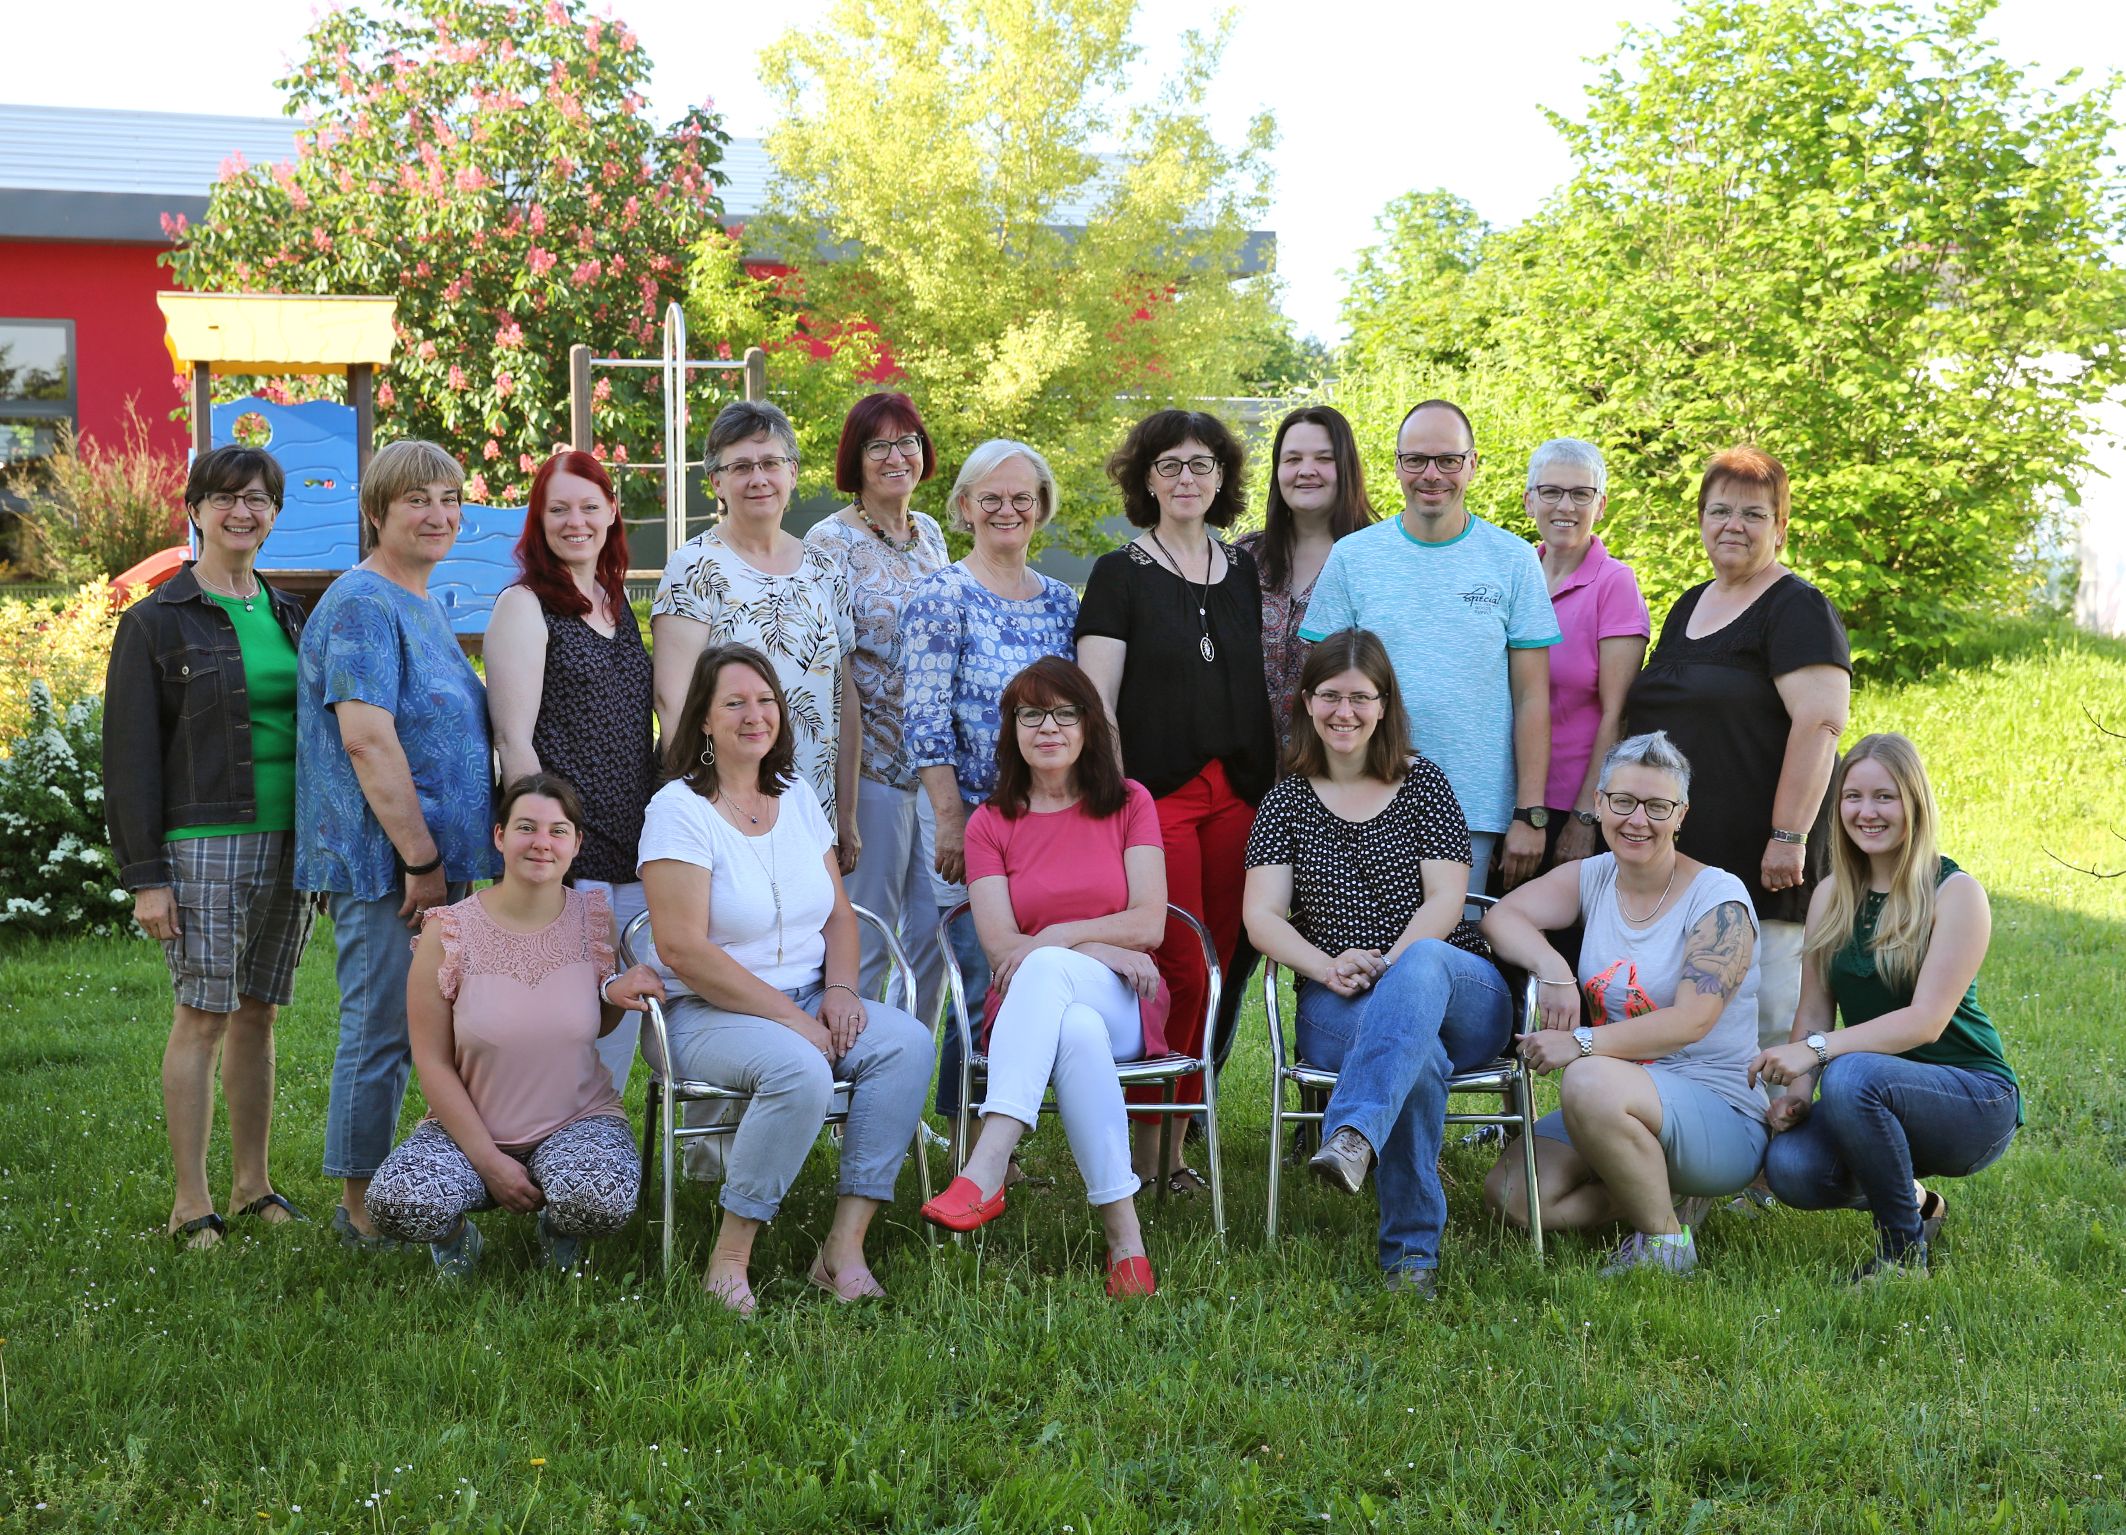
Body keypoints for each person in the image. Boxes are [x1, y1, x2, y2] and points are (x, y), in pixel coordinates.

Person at [638, 644, 935, 1314]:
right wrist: (792, 1019)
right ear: (704, 722)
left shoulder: (796, 795)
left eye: (766, 699)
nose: (755, 714)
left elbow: (837, 913)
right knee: (800, 1069)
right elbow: (682, 948)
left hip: (806, 997)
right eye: (735, 702)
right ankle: (729, 1260)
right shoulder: (678, 810)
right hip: (702, 1013)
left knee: (907, 1043)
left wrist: (839, 990)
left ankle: (841, 1249)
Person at [1242, 630, 1504, 1296]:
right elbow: (1262, 916)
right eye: (1329, 695)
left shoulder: (1425, 784)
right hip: (1341, 998)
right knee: (1413, 1058)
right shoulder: (1286, 801)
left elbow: (1448, 898)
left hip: (1456, 988)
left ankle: (1353, 1127)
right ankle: (1411, 1258)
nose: (1344, 711)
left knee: (1419, 967)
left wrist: (1390, 959)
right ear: (1306, 702)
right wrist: (1328, 966)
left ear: (1385, 705)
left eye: (1361, 697)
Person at [104, 444, 314, 1249]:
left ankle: (253, 1184)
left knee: (258, 1014)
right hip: (203, 843)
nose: (243, 511)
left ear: (273, 514)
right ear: (195, 509)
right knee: (203, 1014)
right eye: (225, 497)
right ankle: (191, 1202)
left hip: (288, 839)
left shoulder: (288, 612)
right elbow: (127, 759)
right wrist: (146, 877)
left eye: (259, 498)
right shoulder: (155, 620)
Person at [296, 439, 499, 1249]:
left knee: (418, 1032)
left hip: (433, 870)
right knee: (380, 1028)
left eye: (449, 498)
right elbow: (368, 741)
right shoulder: (362, 603)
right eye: (417, 498)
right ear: (376, 510)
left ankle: (404, 1185)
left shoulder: (423, 601)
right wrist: (421, 860)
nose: (438, 514)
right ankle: (362, 1213)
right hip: (389, 864)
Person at [917, 658, 1170, 1299]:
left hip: (1126, 999)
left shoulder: (1129, 804)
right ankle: (1127, 1250)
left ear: (1089, 725)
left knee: (1059, 974)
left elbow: (1150, 924)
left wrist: (1064, 939)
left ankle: (986, 1164)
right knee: (1076, 1031)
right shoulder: (989, 824)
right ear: (1012, 731)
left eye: (1065, 712)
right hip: (1031, 1007)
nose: (1048, 727)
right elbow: (1002, 949)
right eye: (1031, 715)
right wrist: (1098, 943)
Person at [1478, 731, 1767, 1276]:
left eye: (1657, 806)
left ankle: (1664, 1245)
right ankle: (1660, 1195)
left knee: (1586, 1078)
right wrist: (1555, 969)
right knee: (1512, 1196)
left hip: (1719, 1111)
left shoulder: (1718, 898)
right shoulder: (1596, 877)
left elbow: (1692, 1020)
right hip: (1620, 1100)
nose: (1638, 819)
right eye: (1624, 802)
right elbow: (1501, 917)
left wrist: (1581, 1042)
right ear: (1599, 804)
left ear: (1681, 815)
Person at [1077, 408, 1277, 1191]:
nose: (1186, 478)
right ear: (1145, 479)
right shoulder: (1118, 572)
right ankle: (1145, 1145)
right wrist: (1120, 808)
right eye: (1170, 466)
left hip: (1241, 800)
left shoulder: (1244, 571)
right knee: (1177, 967)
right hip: (1158, 799)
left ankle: (1180, 1144)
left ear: (1222, 478)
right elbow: (1098, 701)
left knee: (1221, 968)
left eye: (1201, 465)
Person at [365, 774, 664, 1274]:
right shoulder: (448, 931)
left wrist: (616, 990)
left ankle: (561, 1228)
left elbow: (596, 1023)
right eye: (526, 827)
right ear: (500, 836)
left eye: (557, 831)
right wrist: (488, 1161)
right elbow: (433, 1062)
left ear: (576, 844)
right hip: (469, 1130)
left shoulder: (595, 919)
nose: (541, 843)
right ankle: (459, 1240)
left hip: (578, 1120)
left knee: (601, 1199)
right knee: (396, 1203)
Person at [1755, 734, 2020, 1278]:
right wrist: (1798, 1095)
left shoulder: (1955, 892)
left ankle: (1902, 1258)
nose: (1866, 812)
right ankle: (1918, 1208)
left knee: (1850, 1074)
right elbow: (1813, 1009)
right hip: (1874, 1092)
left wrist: (1819, 1054)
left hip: (1973, 1099)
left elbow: (1926, 1021)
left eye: (1885, 797)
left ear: (1914, 803)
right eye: (1853, 796)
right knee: (1792, 1170)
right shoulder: (1832, 894)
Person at [1624, 446, 1850, 1051]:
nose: (1733, 525)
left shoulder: (1797, 607)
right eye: (1720, 510)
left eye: (1754, 514)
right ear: (1700, 520)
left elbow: (1822, 724)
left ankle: (1775, 1135)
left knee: (1764, 1024)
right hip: (1685, 862)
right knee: (1686, 1024)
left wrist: (1788, 836)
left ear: (1781, 527)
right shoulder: (1688, 605)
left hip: (1764, 861)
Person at [1300, 399, 1559, 891]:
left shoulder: (1514, 559)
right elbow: (1321, 693)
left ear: (1473, 464)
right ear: (1397, 466)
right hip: (1363, 799)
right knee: (1361, 956)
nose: (1431, 474)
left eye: (1448, 460)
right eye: (1416, 460)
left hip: (1475, 806)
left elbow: (1532, 698)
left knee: (1452, 957)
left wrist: (1530, 811)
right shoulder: (1354, 557)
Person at [901, 439, 1080, 1107]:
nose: (1007, 510)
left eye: (1022, 498)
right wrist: (950, 819)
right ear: (965, 507)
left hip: (1047, 821)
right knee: (977, 974)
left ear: (1041, 509)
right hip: (972, 816)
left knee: (1026, 972)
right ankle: (968, 1135)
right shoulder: (941, 596)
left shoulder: (1062, 602)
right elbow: (925, 721)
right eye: (991, 498)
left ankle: (1006, 1123)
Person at [485, 450, 658, 1093]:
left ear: (612, 512)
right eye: (559, 509)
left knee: (623, 1006)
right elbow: (516, 743)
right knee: (572, 1014)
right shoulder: (525, 605)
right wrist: (547, 847)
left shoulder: (616, 603)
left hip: (637, 847)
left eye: (589, 506)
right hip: (573, 852)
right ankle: (556, 1150)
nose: (575, 521)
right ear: (539, 519)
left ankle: (601, 1149)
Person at [651, 400, 858, 861]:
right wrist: (705, 808)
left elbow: (844, 699)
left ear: (793, 473)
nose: (758, 478)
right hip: (726, 810)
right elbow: (673, 702)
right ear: (716, 483)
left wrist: (846, 814)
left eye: (771, 463)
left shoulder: (826, 572)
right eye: (740, 466)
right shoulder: (695, 568)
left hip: (812, 810)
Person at [802, 392, 950, 1014]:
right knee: (865, 942)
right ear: (855, 459)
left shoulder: (931, 534)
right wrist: (847, 812)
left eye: (908, 441)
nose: (897, 456)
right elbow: (835, 677)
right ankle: (848, 1089)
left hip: (937, 776)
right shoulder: (828, 543)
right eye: (878, 445)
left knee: (933, 943)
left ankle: (901, 1095)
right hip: (873, 776)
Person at [1525, 438, 1648, 869]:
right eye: (1552, 491)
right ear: (1529, 501)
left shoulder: (1615, 585)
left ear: (1601, 506)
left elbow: (1619, 714)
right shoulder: (1514, 575)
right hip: (1506, 798)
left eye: (1582, 494)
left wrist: (1585, 817)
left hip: (1569, 806)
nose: (1566, 506)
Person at [1233, 405, 1377, 755]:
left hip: (1342, 777)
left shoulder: (1377, 559)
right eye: (1292, 459)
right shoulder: (1243, 557)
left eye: (1324, 459)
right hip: (1246, 778)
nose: (1306, 471)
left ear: (1346, 468)